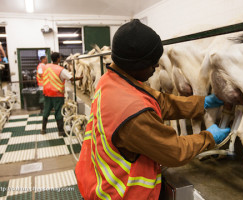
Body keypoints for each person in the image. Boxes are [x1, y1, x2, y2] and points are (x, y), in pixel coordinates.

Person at [75, 19, 231, 200]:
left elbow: (159, 102)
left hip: (98, 178)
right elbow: (175, 151)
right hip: (120, 194)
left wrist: (201, 103)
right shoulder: (133, 113)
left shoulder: (111, 81)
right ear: (136, 65)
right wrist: (209, 137)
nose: (156, 67)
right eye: (152, 64)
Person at [41, 52, 82, 136]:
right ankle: (60, 131)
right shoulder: (60, 69)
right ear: (58, 59)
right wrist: (81, 77)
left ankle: (43, 129)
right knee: (59, 112)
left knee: (46, 110)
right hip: (57, 94)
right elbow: (71, 78)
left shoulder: (46, 67)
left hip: (47, 93)